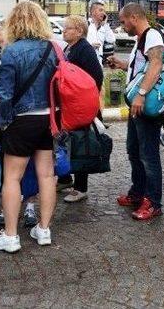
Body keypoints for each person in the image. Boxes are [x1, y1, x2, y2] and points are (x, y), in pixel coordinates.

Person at [0, 1, 59, 252]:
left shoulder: (12, 51)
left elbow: (5, 94)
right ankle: (44, 229)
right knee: (47, 175)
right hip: (47, 118)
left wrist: (5, 123)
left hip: (20, 119)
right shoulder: (53, 48)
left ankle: (10, 235)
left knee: (13, 178)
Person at [107, 3, 164, 221]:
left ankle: (153, 202)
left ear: (133, 17)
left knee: (148, 155)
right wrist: (123, 65)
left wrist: (140, 94)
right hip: (137, 105)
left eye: (123, 22)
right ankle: (138, 193)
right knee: (134, 150)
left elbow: (155, 65)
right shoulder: (142, 39)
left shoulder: (152, 36)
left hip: (146, 105)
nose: (122, 27)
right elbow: (141, 67)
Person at [0, 22, 38, 227]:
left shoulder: (16, 53)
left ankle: (26, 209)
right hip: (0, 115)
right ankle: (8, 208)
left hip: (14, 116)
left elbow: (11, 88)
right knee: (4, 164)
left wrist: (1, 105)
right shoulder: (0, 54)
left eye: (0, 29)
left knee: (23, 166)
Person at [61, 15, 104, 203]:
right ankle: (65, 179)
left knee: (80, 143)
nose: (64, 31)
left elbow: (96, 76)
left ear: (79, 31)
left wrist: (82, 96)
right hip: (70, 105)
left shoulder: (84, 49)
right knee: (68, 142)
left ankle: (81, 187)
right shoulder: (69, 48)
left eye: (68, 28)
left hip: (82, 106)